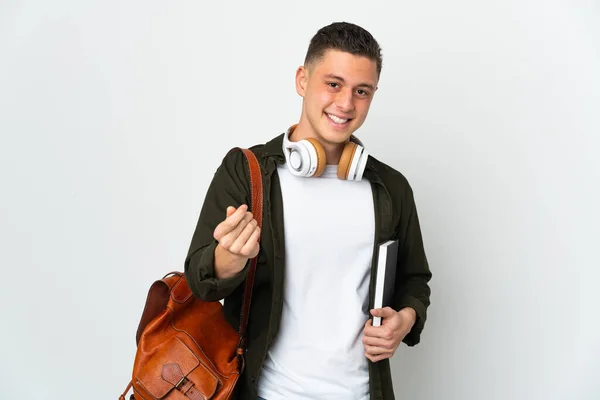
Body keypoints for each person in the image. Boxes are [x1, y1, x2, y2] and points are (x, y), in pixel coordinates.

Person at [184, 21, 432, 400]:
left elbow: (415, 280)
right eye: (333, 84)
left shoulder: (391, 188)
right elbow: (199, 282)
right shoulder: (248, 172)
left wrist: (405, 319)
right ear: (303, 79)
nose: (346, 104)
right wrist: (227, 259)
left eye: (361, 91)